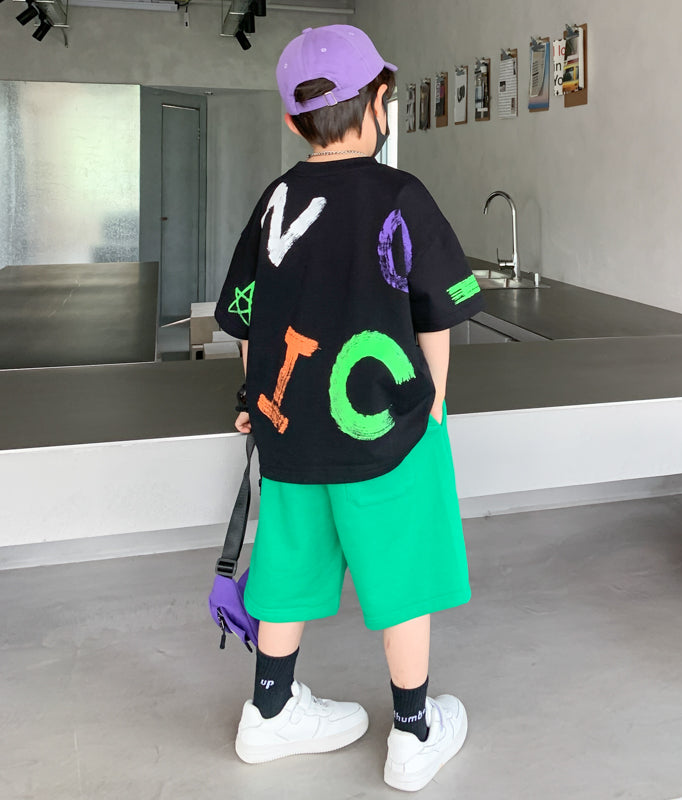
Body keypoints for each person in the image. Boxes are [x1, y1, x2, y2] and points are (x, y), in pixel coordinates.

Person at [214, 24, 484, 792]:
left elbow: (247, 319)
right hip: (385, 430)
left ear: (291, 120)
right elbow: (437, 316)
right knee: (401, 573)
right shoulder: (401, 195)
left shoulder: (275, 200)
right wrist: (435, 407)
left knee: (288, 561)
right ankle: (413, 732)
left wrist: (256, 400)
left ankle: (269, 711)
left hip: (290, 431)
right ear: (379, 102)